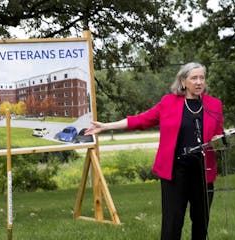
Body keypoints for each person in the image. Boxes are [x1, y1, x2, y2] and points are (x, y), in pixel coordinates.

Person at [85, 62, 223, 240]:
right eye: (194, 78)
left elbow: (219, 134)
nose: (199, 82)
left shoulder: (214, 105)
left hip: (204, 172)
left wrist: (221, 140)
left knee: (201, 222)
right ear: (183, 81)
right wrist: (106, 126)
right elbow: (141, 120)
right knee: (172, 223)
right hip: (175, 172)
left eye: (202, 78)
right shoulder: (169, 102)